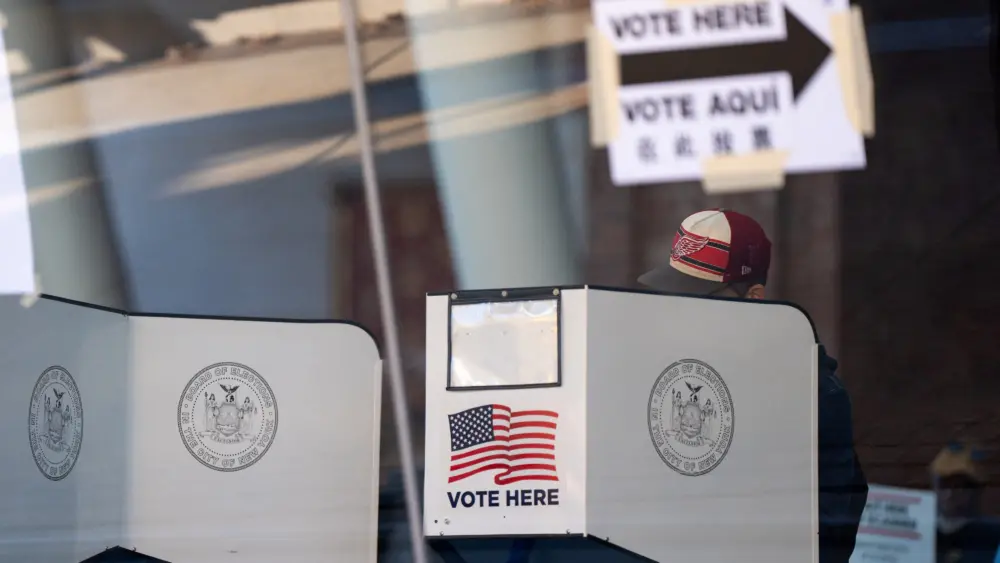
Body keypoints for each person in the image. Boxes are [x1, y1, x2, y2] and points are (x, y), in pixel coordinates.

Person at [637, 208, 869, 563]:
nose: (682, 312)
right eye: (672, 296)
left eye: (700, 298)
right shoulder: (667, 374)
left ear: (754, 298)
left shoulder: (808, 392)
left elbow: (827, 534)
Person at [931, 441, 1000, 562]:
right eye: (944, 485)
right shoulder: (920, 534)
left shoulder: (992, 536)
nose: (949, 494)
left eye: (958, 486)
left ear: (976, 490)